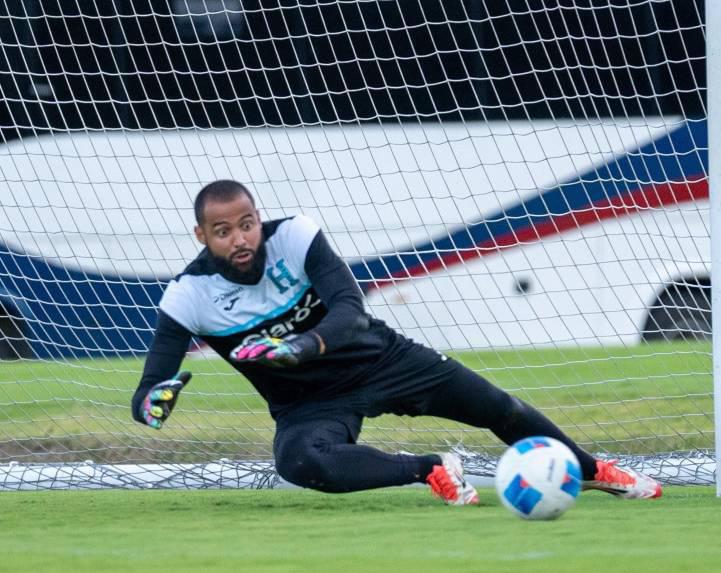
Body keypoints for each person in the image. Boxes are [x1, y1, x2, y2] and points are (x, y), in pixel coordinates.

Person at [131, 180, 662, 504]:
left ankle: (593, 471)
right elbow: (150, 390)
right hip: (309, 404)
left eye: (247, 224)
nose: (241, 238)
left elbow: (351, 311)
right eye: (224, 231)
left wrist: (299, 347)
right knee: (298, 465)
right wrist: (153, 404)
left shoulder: (294, 236)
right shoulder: (188, 296)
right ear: (202, 237)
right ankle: (428, 467)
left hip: (383, 359)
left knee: (499, 407)